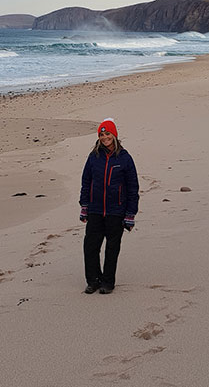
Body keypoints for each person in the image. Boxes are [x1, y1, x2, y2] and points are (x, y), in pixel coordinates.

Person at [79, 118, 139, 294]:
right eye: (102, 135)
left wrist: (130, 214)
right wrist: (84, 206)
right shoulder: (93, 157)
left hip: (116, 211)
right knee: (90, 247)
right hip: (95, 209)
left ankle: (107, 282)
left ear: (114, 135)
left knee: (112, 249)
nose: (105, 138)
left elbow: (133, 187)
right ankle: (93, 280)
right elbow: (86, 182)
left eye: (108, 134)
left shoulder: (125, 158)